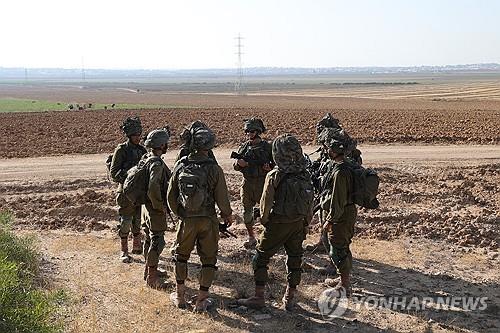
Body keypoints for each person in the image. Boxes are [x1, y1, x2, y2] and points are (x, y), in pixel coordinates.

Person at [237, 134, 313, 311]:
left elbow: (265, 206)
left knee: (260, 258)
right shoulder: (305, 173)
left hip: (278, 223)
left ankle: (258, 297)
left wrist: (266, 223)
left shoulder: (274, 175)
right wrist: (305, 223)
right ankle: (290, 298)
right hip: (298, 223)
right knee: (295, 259)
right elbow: (310, 202)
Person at [168, 126, 233, 312]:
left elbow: (170, 197)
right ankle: (202, 301)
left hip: (187, 221)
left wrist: (180, 213)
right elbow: (223, 199)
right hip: (208, 221)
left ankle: (180, 297)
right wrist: (227, 216)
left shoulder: (181, 165)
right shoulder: (214, 169)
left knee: (181, 257)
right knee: (208, 260)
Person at [321, 128, 358, 296]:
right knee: (344, 246)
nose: (327, 150)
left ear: (335, 150)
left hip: (341, 215)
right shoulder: (348, 164)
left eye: (329, 148)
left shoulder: (340, 171)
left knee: (338, 248)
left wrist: (330, 220)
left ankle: (344, 285)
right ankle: (344, 278)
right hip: (347, 212)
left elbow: (338, 199)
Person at [109, 117, 147, 263]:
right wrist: (130, 175)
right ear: (129, 136)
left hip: (139, 193)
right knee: (125, 221)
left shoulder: (142, 150)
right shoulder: (121, 150)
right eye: (135, 135)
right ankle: (124, 250)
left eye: (139, 135)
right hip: (125, 192)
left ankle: (137, 245)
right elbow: (114, 173)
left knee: (137, 220)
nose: (138, 138)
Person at [233, 118, 273, 248]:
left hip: (263, 183)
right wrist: (239, 164)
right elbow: (236, 166)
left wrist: (269, 169)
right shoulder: (244, 147)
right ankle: (251, 237)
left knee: (266, 213)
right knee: (247, 213)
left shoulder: (267, 147)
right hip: (248, 183)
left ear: (258, 131)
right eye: (247, 131)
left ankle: (268, 238)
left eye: (252, 131)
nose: (249, 134)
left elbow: (276, 165)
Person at [141, 128, 172, 289]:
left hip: (146, 208)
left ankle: (148, 271)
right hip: (153, 208)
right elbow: (153, 186)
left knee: (148, 238)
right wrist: (160, 206)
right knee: (157, 241)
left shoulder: (146, 158)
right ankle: (152, 278)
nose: (167, 145)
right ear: (161, 145)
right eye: (165, 143)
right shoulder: (156, 163)